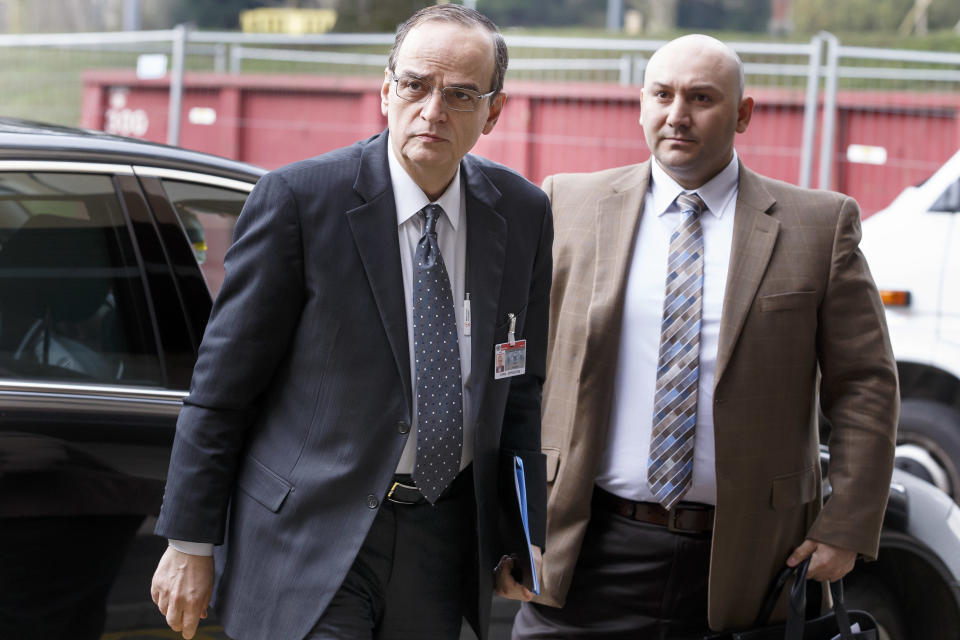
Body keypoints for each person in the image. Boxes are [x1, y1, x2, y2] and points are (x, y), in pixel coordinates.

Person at [149, 6, 552, 640]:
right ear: (387, 90)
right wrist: (190, 540)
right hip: (309, 534)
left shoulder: (523, 213)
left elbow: (519, 385)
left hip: (440, 541)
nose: (433, 110)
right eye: (416, 85)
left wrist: (520, 533)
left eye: (461, 95)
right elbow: (224, 386)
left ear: (494, 112)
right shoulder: (299, 201)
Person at [512, 34, 898, 639]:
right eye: (662, 95)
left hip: (752, 559)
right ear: (640, 104)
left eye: (701, 97)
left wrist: (846, 524)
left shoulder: (818, 226)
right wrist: (512, 513)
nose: (677, 115)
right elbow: (516, 367)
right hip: (586, 549)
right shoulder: (569, 203)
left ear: (743, 113)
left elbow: (865, 385)